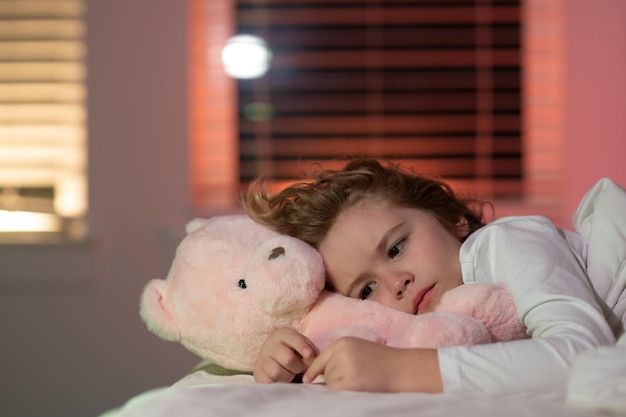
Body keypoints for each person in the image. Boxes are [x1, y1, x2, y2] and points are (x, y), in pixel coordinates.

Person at [242, 158, 626, 394]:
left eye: (396, 248)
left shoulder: (505, 242)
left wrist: (402, 371)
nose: (397, 283)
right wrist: (293, 361)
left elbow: (585, 355)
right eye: (367, 289)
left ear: (454, 219)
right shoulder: (428, 322)